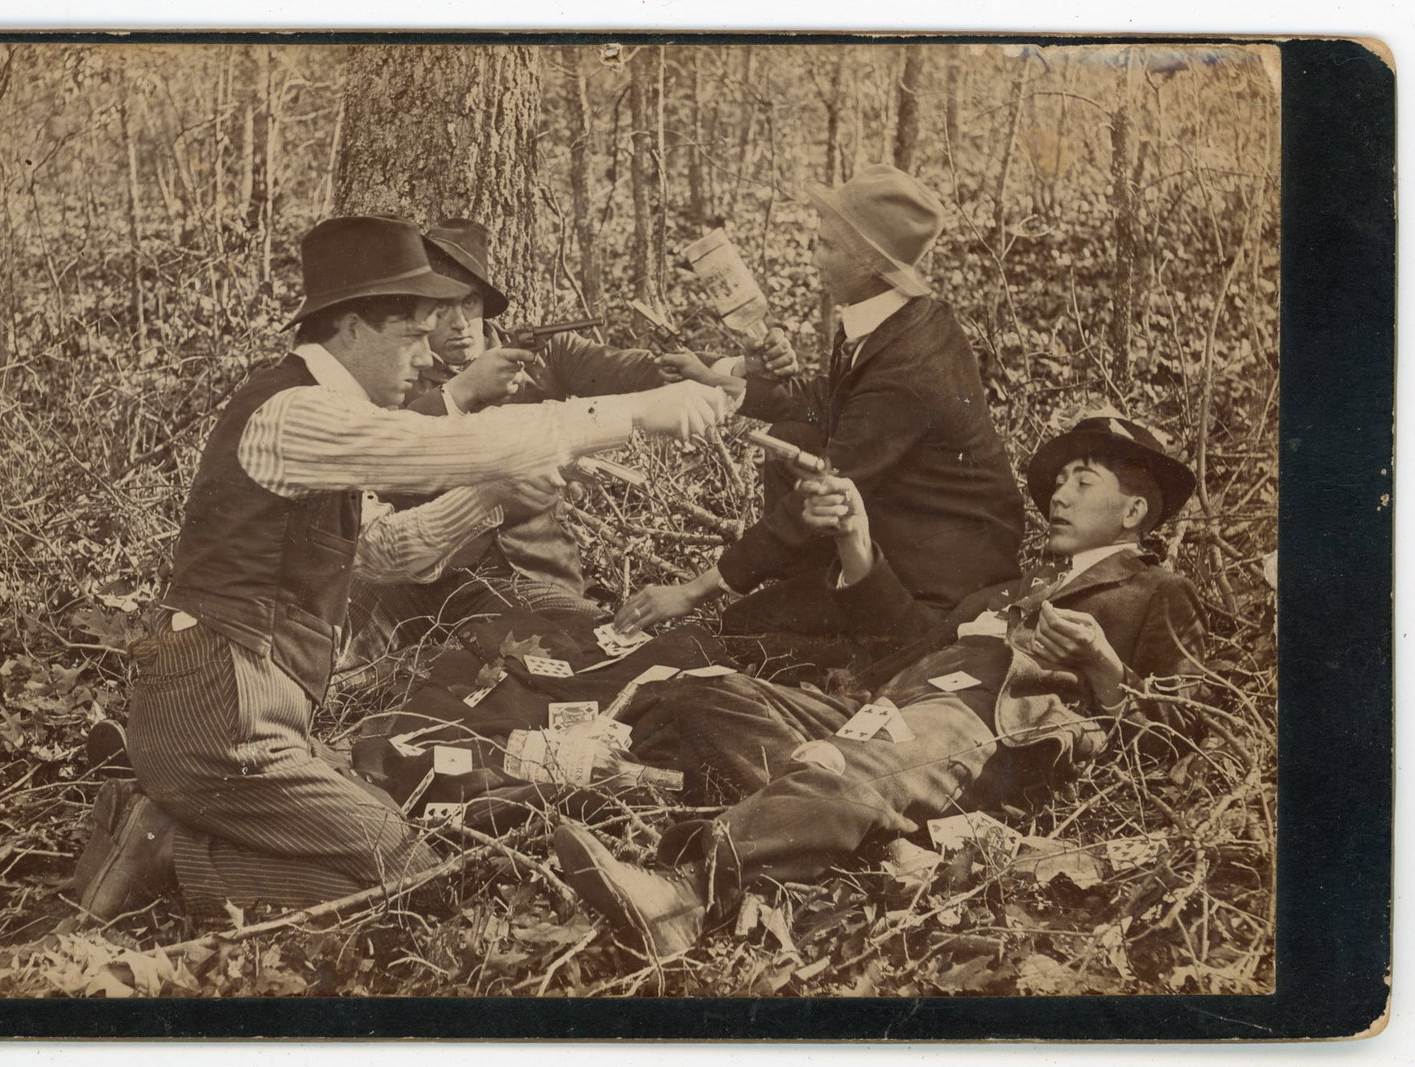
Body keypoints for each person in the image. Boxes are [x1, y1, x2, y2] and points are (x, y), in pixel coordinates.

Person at [69, 215, 734, 922]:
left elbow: (389, 552)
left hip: (248, 706)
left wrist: (493, 494)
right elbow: (448, 445)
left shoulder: (322, 417)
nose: (427, 358)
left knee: (396, 829)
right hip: (220, 711)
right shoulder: (294, 413)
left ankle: (175, 831)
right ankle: (168, 850)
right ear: (353, 327)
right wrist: (635, 413)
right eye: (414, 336)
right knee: (414, 879)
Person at [556, 414, 1206, 957]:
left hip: (982, 724)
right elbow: (906, 640)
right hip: (886, 706)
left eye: (1082, 482)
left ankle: (683, 897)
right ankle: (875, 836)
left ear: (1134, 511)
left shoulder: (1155, 591)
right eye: (1058, 481)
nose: (1059, 496)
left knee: (844, 766)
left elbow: (1181, 733)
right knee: (704, 691)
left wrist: (1100, 661)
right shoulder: (1012, 589)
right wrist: (855, 539)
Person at [614, 164, 1025, 649]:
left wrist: (694, 590)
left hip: (942, 580)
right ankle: (807, 582)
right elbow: (830, 405)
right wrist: (721, 378)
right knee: (792, 440)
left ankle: (839, 618)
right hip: (907, 526)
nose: (814, 259)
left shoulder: (911, 367)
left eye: (826, 246)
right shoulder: (890, 319)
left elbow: (828, 485)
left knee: (737, 639)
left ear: (869, 262)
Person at [342, 218, 676, 670]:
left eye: (470, 303)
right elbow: (374, 467)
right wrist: (458, 395)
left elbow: (642, 370)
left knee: (592, 651)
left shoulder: (543, 358)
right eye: (441, 307)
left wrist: (736, 370)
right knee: (331, 651)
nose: (460, 324)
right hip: (416, 582)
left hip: (525, 577)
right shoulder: (393, 377)